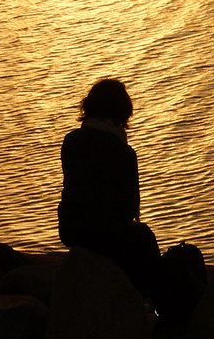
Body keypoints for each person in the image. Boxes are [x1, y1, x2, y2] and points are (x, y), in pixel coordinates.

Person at [57, 78, 162, 300]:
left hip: (71, 229)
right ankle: (151, 303)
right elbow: (130, 207)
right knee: (143, 237)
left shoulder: (70, 141)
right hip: (104, 235)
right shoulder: (124, 154)